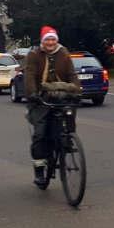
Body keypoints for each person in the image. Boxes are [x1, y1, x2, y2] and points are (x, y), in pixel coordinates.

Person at [23, 26, 82, 187]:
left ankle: (67, 140)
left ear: (57, 40)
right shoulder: (34, 55)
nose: (50, 42)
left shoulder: (64, 54)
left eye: (53, 39)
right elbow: (29, 75)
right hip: (40, 99)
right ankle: (40, 169)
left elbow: (71, 75)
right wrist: (32, 93)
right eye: (47, 39)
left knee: (69, 114)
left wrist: (77, 89)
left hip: (59, 97)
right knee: (40, 134)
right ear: (42, 41)